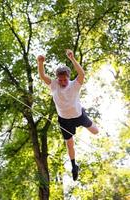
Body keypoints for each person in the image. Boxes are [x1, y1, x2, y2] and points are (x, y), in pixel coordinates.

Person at [37, 49, 99, 181]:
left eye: (64, 79)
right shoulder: (54, 85)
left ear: (68, 77)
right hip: (64, 120)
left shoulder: (74, 85)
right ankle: (74, 166)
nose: (62, 82)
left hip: (79, 115)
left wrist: (72, 59)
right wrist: (40, 62)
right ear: (57, 79)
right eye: (60, 80)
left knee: (95, 131)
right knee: (69, 144)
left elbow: (82, 74)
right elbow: (42, 76)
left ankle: (86, 118)